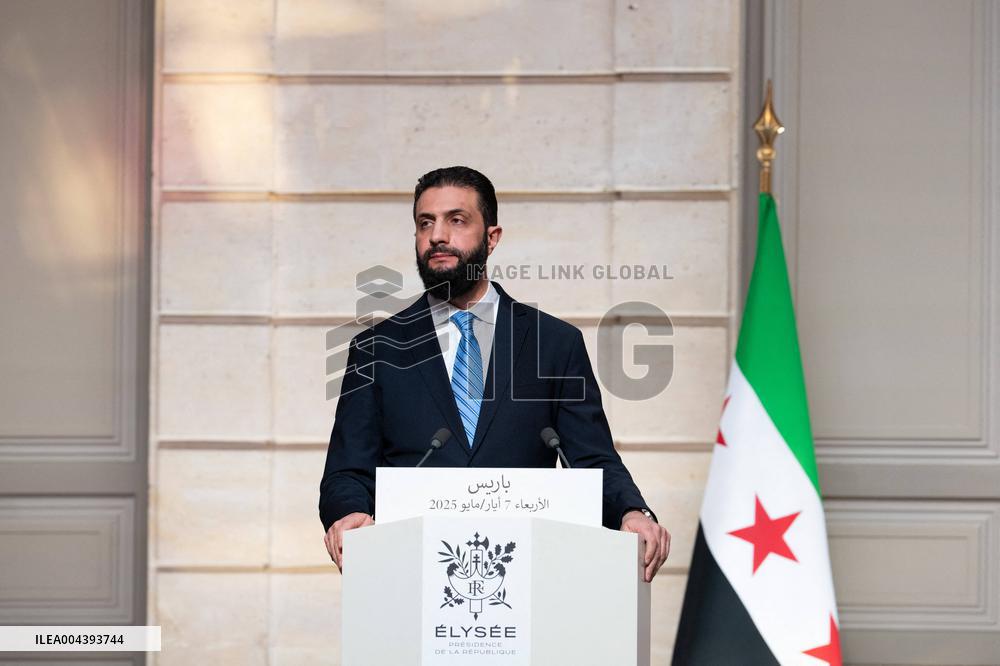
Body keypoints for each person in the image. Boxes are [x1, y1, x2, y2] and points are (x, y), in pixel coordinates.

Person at [319, 166, 670, 582]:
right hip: (409, 577)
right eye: (425, 223)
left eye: (457, 220)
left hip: (531, 578)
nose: (437, 236)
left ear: (492, 237)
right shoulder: (377, 349)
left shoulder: (554, 344)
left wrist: (632, 511)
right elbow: (347, 471)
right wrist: (348, 513)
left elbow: (592, 459)